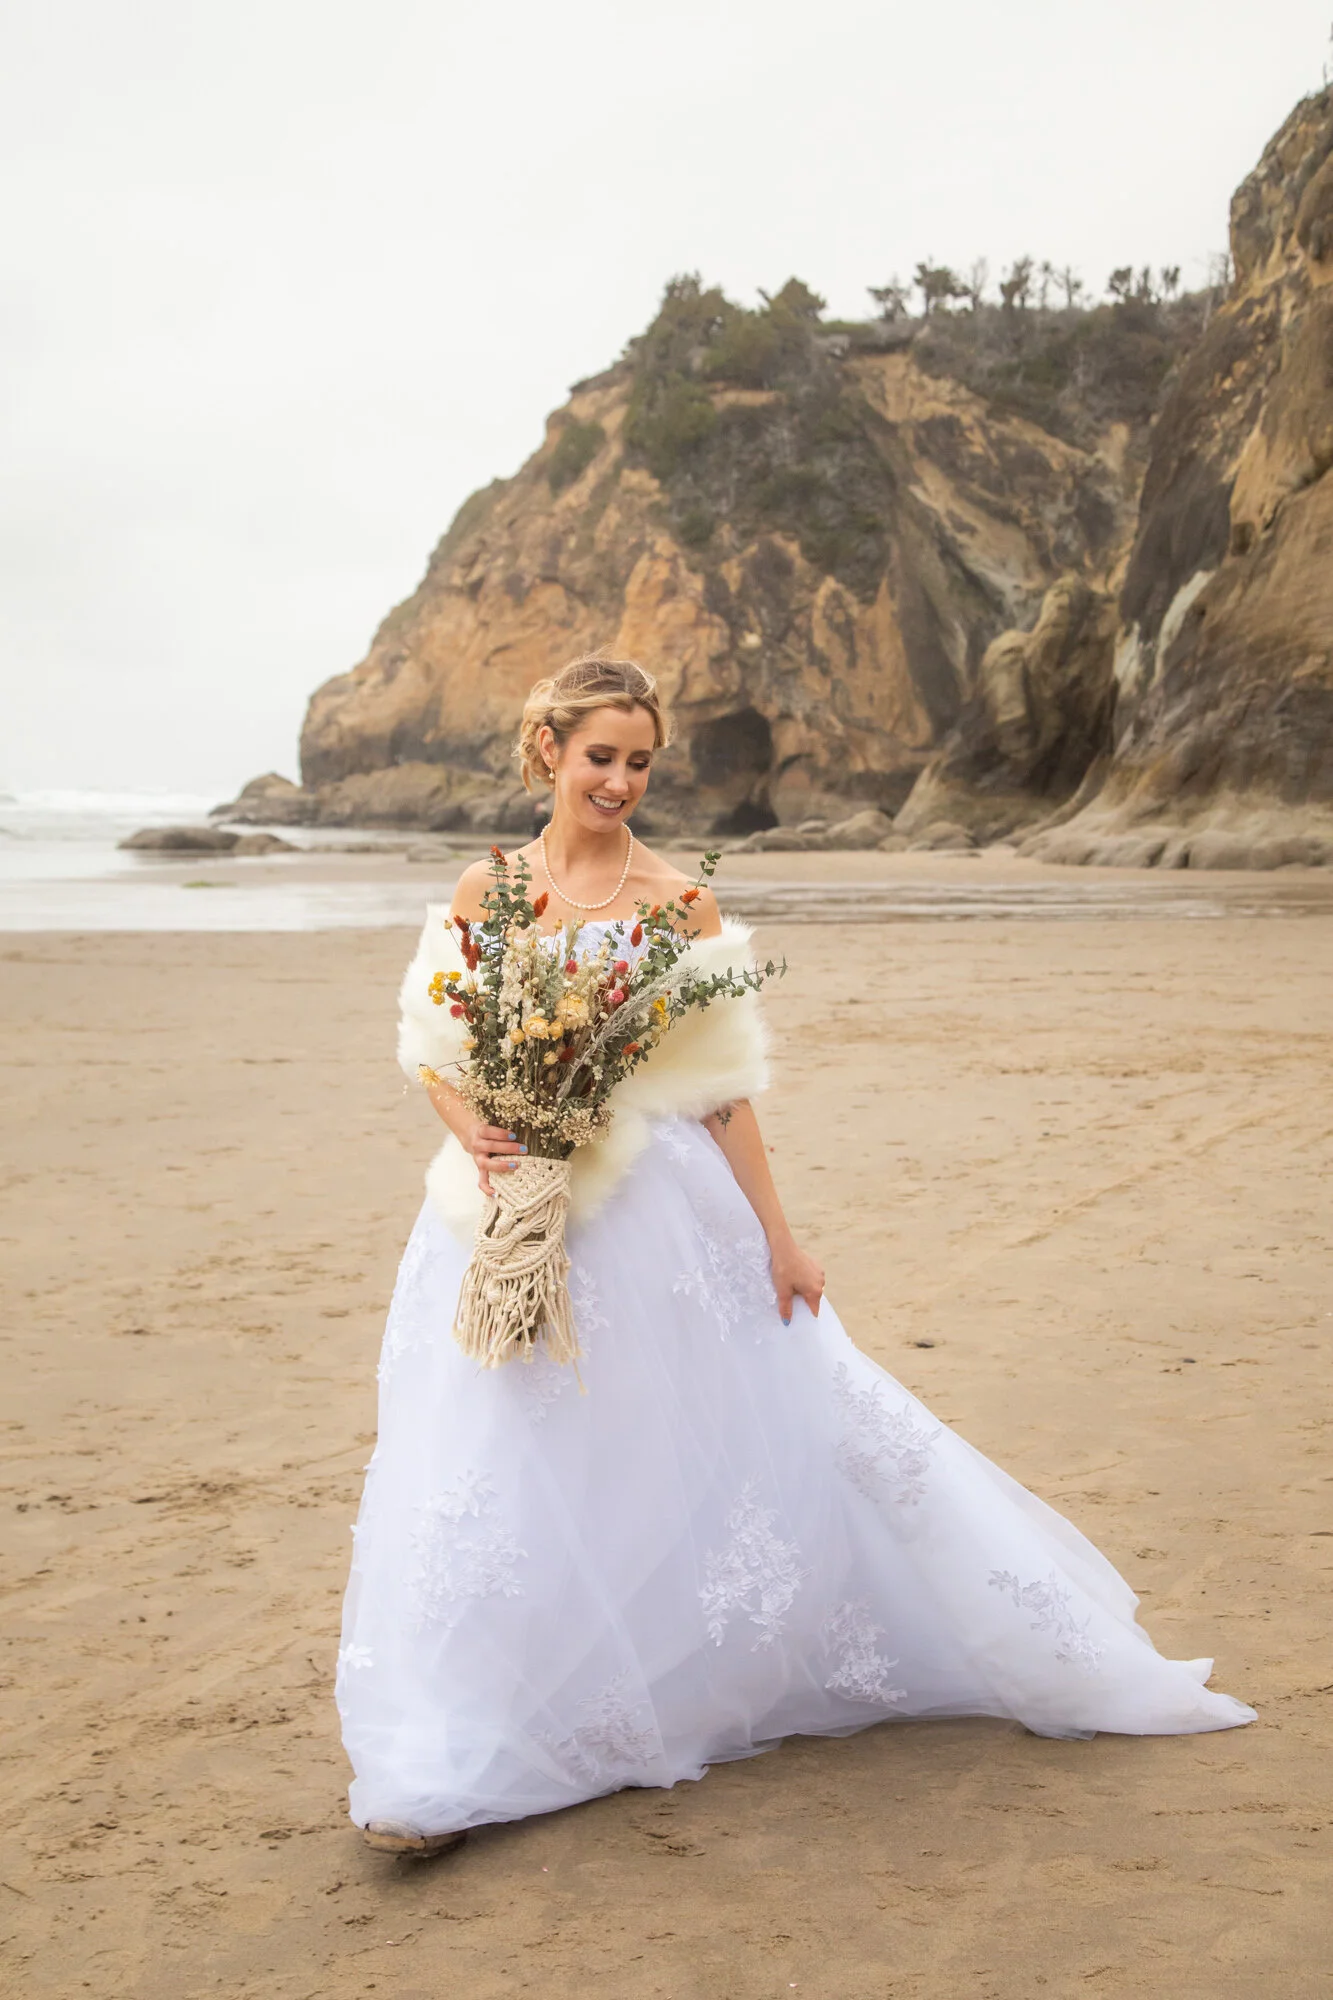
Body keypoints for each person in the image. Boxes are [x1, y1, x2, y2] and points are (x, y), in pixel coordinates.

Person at [337, 655, 1254, 1858]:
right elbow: (437, 1040)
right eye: (601, 754)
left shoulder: (679, 903)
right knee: (498, 1450)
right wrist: (481, 1129)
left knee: (653, 1443)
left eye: (640, 761)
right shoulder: (488, 885)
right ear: (547, 749)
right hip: (507, 1209)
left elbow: (722, 1093)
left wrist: (780, 1234)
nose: (621, 779)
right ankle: (457, 1740)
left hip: (653, 1210)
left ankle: (633, 1690)